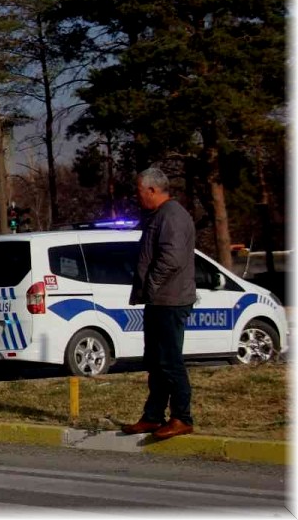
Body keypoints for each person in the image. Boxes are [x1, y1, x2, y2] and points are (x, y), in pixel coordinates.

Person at [121, 168, 197, 440]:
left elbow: (172, 258)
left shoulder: (172, 216)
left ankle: (182, 417)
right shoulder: (159, 216)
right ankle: (153, 416)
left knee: (169, 360)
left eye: (139, 191)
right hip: (158, 300)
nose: (137, 196)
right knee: (155, 360)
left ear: (152, 190)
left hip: (170, 300)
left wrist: (151, 284)